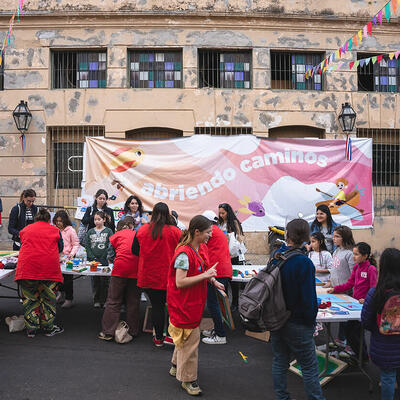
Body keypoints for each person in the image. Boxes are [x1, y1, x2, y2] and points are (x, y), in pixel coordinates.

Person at [167, 215, 224, 396]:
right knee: (190, 343)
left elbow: (202, 270)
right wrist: (206, 276)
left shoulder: (196, 248)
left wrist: (212, 280)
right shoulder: (184, 253)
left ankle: (176, 365)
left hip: (190, 304)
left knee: (183, 338)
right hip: (184, 305)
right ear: (197, 232)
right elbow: (180, 282)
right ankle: (188, 379)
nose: (210, 236)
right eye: (208, 232)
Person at [270, 219, 325, 400]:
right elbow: (309, 299)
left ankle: (282, 397)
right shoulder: (303, 263)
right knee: (309, 367)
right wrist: (311, 322)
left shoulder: (277, 255)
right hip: (298, 321)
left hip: (277, 318)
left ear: (287, 234)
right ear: (306, 237)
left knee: (280, 360)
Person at [132, 202, 181, 347]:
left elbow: (134, 250)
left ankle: (158, 339)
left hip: (149, 275)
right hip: (170, 276)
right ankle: (172, 338)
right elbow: (182, 252)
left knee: (157, 306)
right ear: (168, 214)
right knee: (172, 308)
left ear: (153, 213)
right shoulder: (175, 231)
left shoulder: (142, 230)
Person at [15, 208, 64, 337]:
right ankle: (48, 328)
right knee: (48, 299)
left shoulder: (25, 230)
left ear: (36, 218)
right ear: (49, 220)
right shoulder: (55, 230)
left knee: (30, 298)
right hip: (49, 270)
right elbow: (60, 248)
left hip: (28, 269)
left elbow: (23, 243)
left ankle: (31, 328)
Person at [327, 242, 377, 361]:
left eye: (357, 254)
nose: (353, 256)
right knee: (353, 332)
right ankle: (360, 355)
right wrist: (335, 289)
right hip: (354, 305)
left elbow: (374, 288)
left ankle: (363, 356)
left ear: (365, 256)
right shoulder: (356, 267)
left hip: (364, 307)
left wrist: (366, 300)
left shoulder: (371, 269)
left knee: (354, 332)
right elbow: (350, 283)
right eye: (353, 254)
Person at [361, 248, 400, 400]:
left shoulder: (376, 292)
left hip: (384, 343)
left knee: (388, 376)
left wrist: (378, 330)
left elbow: (366, 320)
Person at [99, 217, 141, 341]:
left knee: (113, 301)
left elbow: (110, 255)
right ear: (132, 225)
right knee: (133, 301)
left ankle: (108, 332)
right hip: (136, 271)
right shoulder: (138, 235)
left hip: (119, 269)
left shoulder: (116, 235)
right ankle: (132, 331)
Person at [201, 210, 232, 345]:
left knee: (213, 304)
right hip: (222, 269)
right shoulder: (217, 229)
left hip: (216, 271)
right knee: (217, 303)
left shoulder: (210, 231)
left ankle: (220, 334)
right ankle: (217, 329)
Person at [218, 202, 244, 309]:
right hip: (223, 255)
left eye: (223, 213)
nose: (221, 215)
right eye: (220, 213)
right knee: (225, 279)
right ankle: (226, 303)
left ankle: (235, 303)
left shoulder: (234, 222)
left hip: (233, 255)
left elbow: (240, 237)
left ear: (228, 212)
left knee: (234, 279)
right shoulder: (220, 223)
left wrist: (233, 242)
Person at [85, 210, 113, 308]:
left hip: (104, 259)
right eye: (95, 219)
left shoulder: (108, 231)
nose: (96, 221)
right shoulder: (90, 231)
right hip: (93, 260)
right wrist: (91, 256)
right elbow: (87, 245)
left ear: (104, 220)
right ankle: (96, 300)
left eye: (99, 219)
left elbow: (110, 245)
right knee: (95, 280)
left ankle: (105, 300)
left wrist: (105, 256)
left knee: (105, 281)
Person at [53, 210, 80, 309]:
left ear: (65, 221)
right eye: (57, 221)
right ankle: (61, 295)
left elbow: (76, 244)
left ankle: (69, 299)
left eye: (60, 221)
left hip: (68, 258)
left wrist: (72, 254)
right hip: (57, 258)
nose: (58, 223)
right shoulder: (55, 230)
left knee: (68, 280)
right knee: (57, 279)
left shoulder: (70, 230)